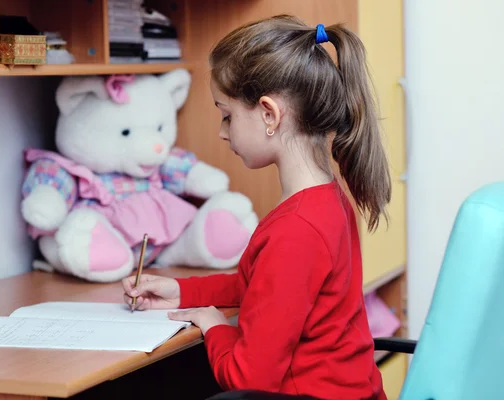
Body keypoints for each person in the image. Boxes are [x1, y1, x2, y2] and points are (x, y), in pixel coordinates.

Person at [122, 14, 391, 400]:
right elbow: (262, 285)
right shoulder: (325, 199)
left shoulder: (296, 229)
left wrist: (214, 324)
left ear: (269, 114)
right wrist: (181, 291)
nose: (221, 130)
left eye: (227, 114)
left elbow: (248, 379)